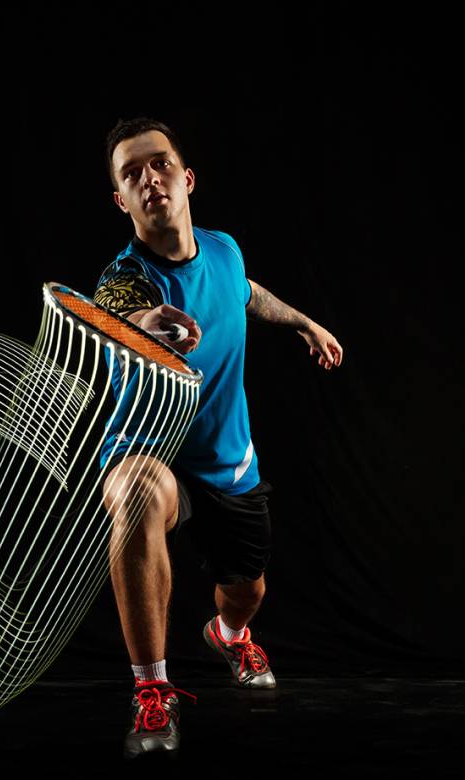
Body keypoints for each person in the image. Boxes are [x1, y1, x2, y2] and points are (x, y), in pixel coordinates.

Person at [94, 117, 344, 760]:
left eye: (160, 164)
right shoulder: (125, 279)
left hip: (229, 464)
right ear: (122, 200)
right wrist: (148, 321)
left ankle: (229, 633)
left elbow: (244, 291)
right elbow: (115, 312)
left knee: (248, 591)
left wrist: (304, 322)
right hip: (152, 456)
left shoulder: (224, 249)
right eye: (132, 173)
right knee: (134, 494)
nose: (150, 177)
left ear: (186, 178)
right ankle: (151, 691)